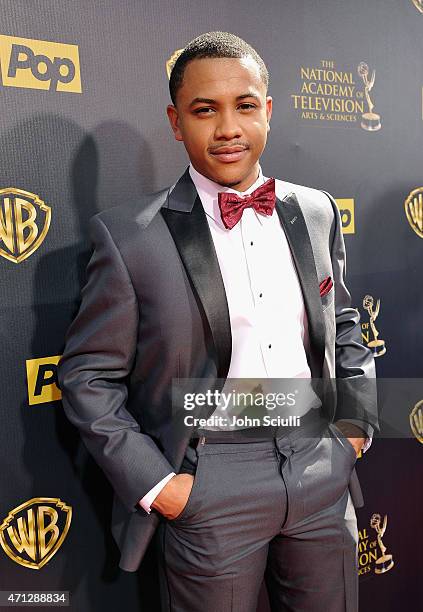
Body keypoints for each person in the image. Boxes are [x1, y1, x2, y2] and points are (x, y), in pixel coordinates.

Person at [58, 31, 378, 612]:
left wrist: (354, 426)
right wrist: (162, 485)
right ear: (177, 122)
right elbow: (87, 378)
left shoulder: (315, 210)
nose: (228, 128)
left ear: (269, 112)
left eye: (245, 106)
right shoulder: (130, 235)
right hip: (211, 473)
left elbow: (346, 322)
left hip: (319, 461)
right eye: (205, 110)